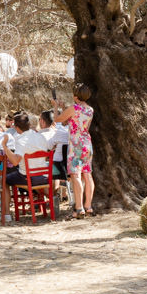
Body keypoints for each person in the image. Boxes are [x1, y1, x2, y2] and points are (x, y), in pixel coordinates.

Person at [54, 83, 96, 218]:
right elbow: (75, 120)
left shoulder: (73, 108)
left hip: (75, 143)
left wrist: (55, 107)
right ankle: (88, 206)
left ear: (75, 95)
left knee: (75, 174)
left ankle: (79, 208)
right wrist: (63, 108)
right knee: (87, 174)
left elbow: (58, 119)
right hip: (86, 142)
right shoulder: (90, 109)